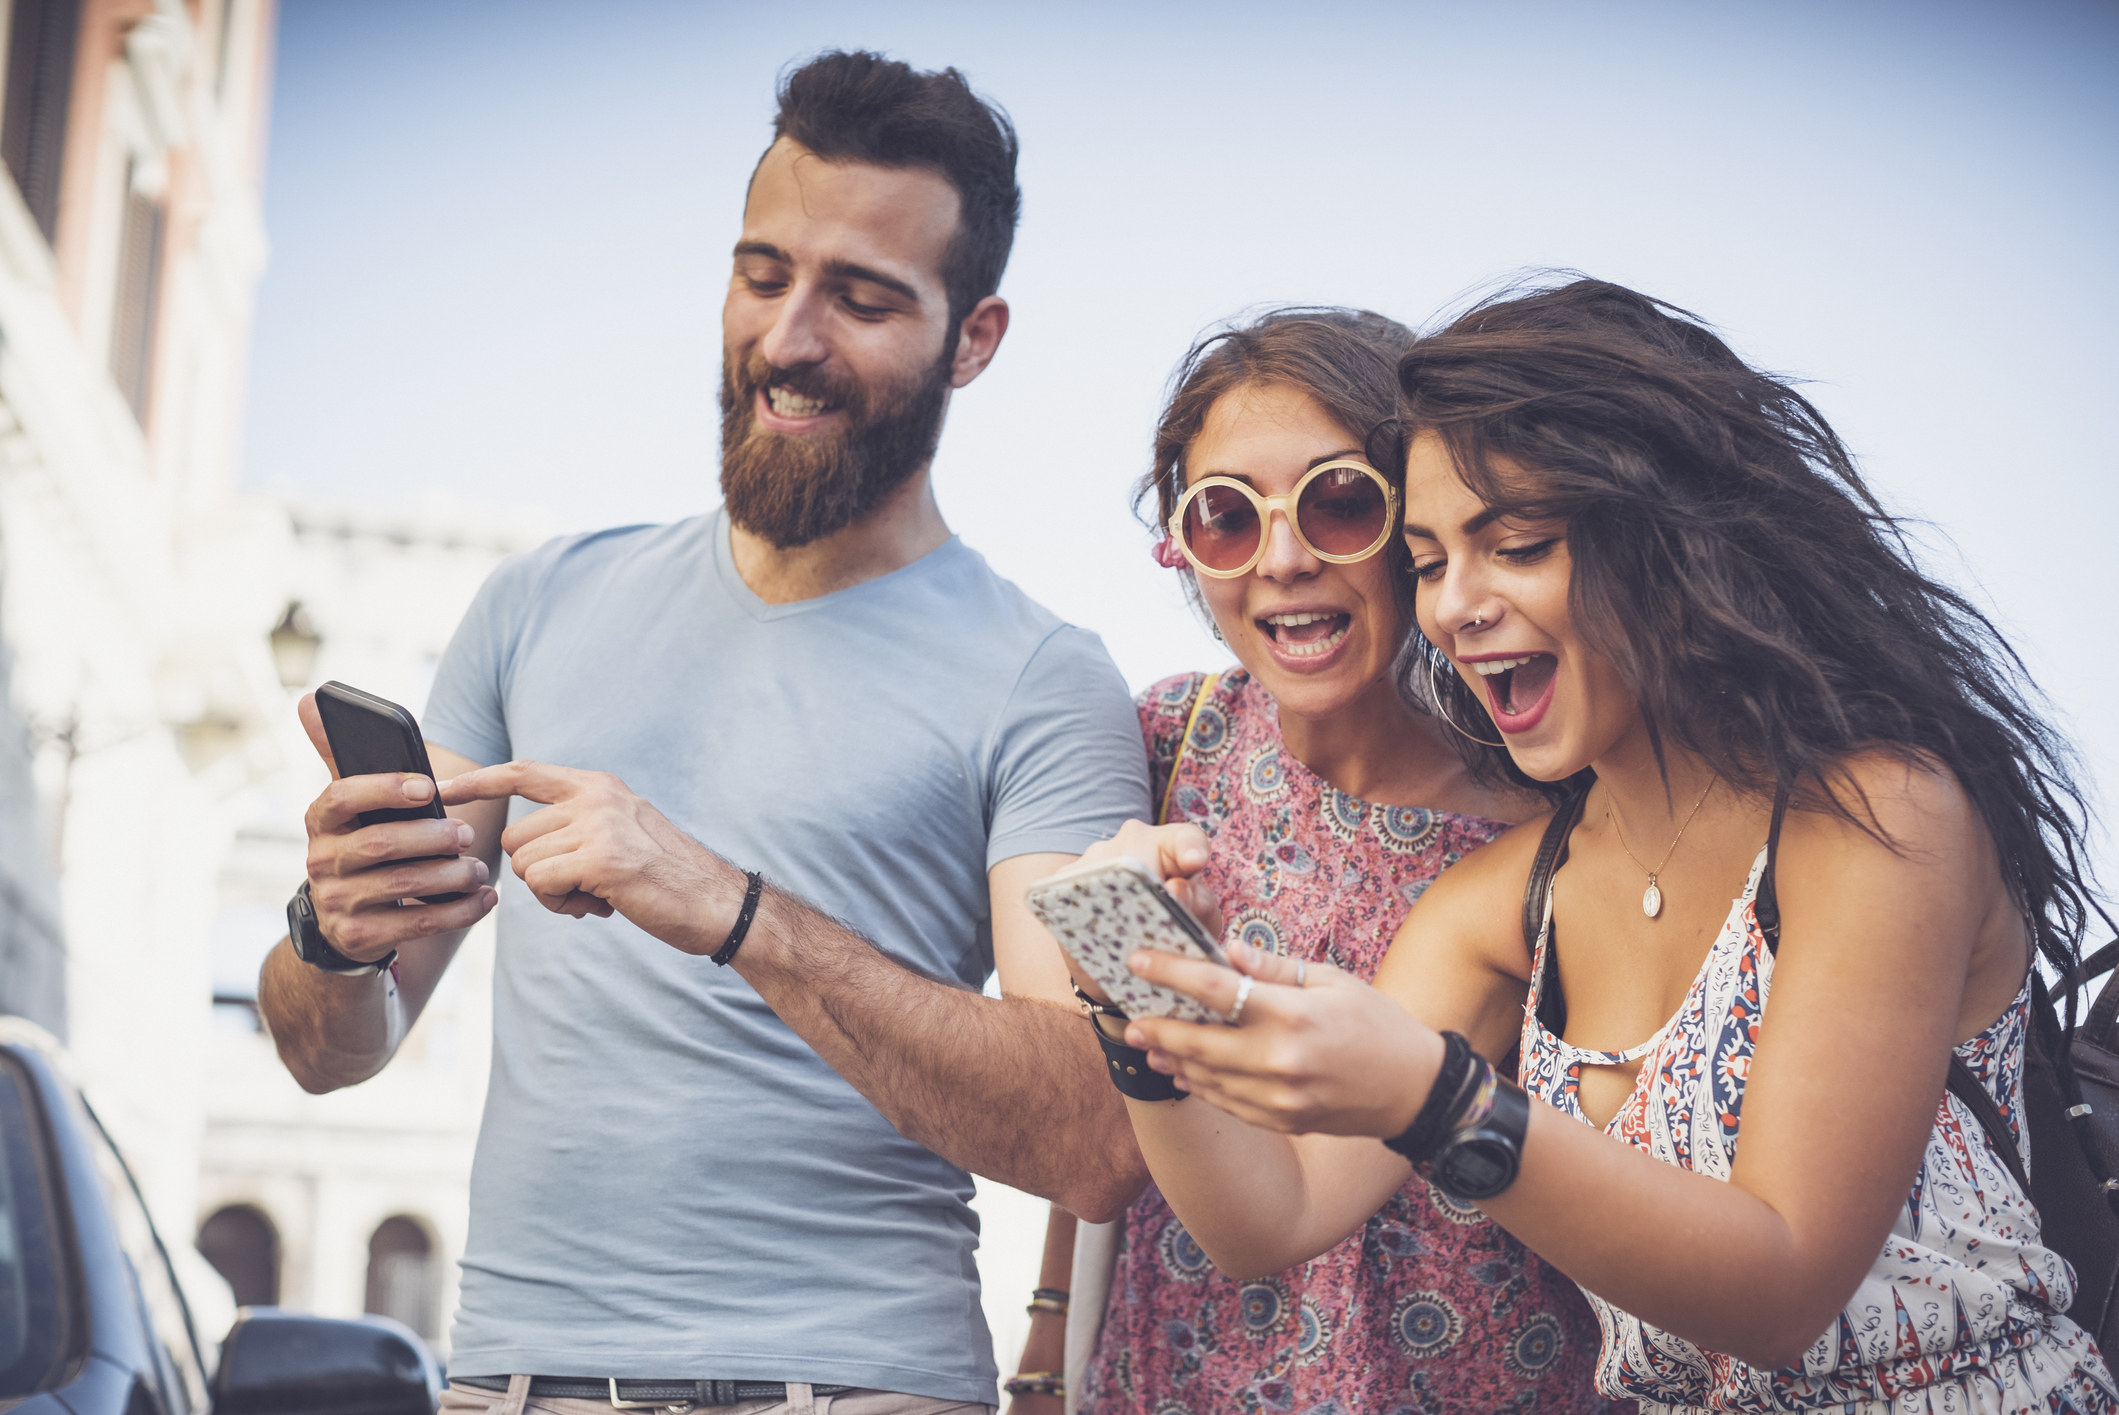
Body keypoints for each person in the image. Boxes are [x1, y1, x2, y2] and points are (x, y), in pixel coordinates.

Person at [258, 52, 1152, 1414]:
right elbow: (330, 1049)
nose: (789, 337)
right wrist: (333, 931)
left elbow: (1090, 1131)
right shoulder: (537, 599)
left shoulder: (1041, 678)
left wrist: (730, 907)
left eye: (859, 297)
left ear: (973, 338)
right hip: (511, 1379)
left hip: (856, 1385)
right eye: (761, 272)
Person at [1096, 278, 2118, 1412]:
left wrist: (1437, 1101)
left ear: (1676, 539)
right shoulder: (1502, 904)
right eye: (1430, 560)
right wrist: (1141, 994)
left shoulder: (1879, 814)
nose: (1453, 607)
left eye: (1516, 544)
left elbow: (1783, 1284)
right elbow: (1269, 1214)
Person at [1004, 309, 1615, 1415]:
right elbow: (1093, 1105)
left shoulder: (1562, 817)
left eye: (1339, 503)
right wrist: (1046, 1341)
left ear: (1418, 517)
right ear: (1182, 549)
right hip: (1174, 1380)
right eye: (1227, 519)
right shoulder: (1163, 742)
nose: (1283, 560)